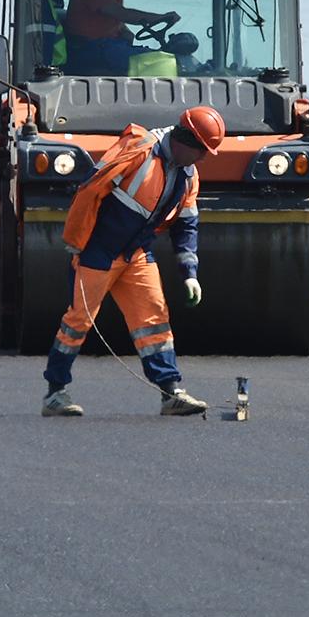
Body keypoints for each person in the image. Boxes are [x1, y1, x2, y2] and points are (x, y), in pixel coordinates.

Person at [41, 105, 226, 418]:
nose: (203, 159)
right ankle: (55, 395)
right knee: (78, 324)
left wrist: (190, 273)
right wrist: (75, 243)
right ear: (184, 141)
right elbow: (89, 192)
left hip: (136, 254)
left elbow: (186, 223)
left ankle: (171, 393)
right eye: (201, 151)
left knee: (154, 320)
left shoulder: (188, 175)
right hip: (99, 253)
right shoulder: (137, 151)